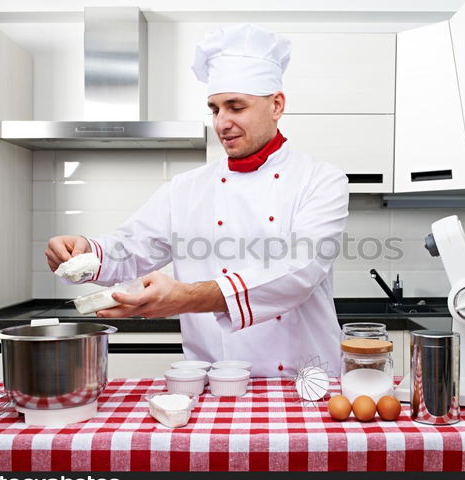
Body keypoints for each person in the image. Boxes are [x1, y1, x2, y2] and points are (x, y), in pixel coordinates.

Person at [46, 24, 349, 377]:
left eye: (236, 107)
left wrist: (187, 297)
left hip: (304, 381)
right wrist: (84, 253)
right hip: (212, 379)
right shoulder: (186, 188)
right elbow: (131, 250)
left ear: (276, 105)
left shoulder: (321, 180)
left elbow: (298, 271)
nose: (222, 123)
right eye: (215, 109)